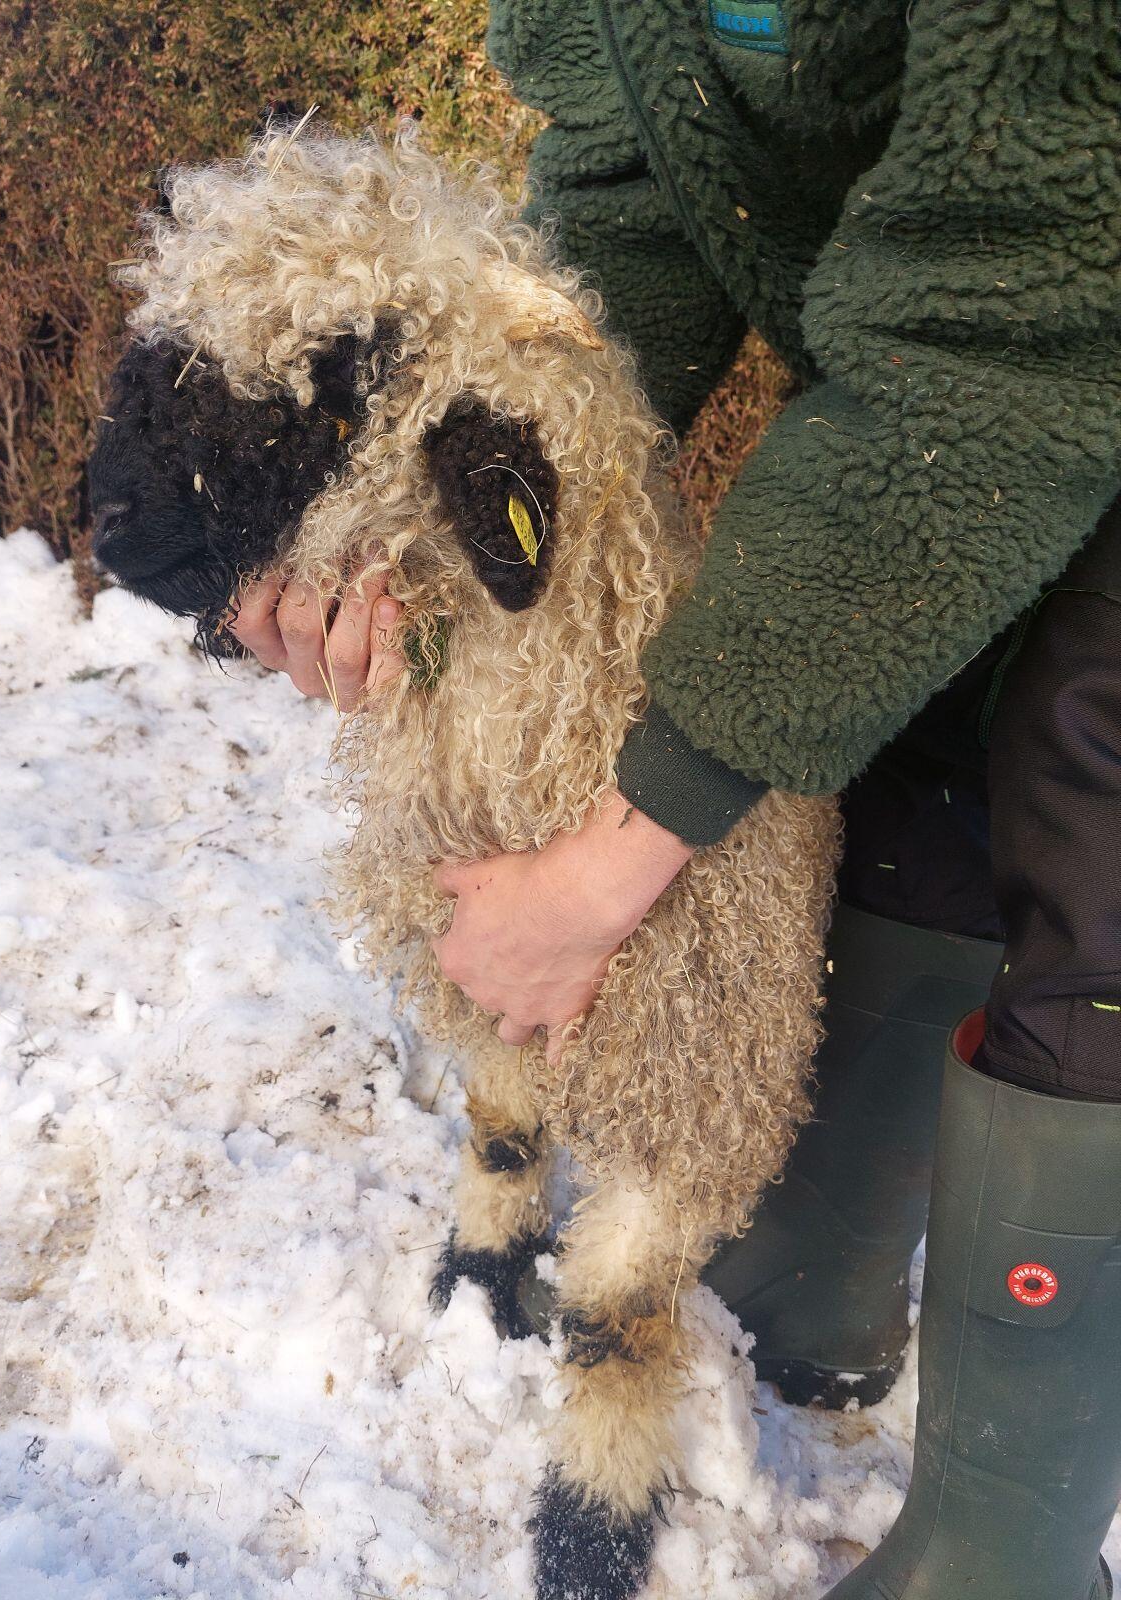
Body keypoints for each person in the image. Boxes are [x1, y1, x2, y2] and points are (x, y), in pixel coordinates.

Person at [231, 3, 1121, 1592]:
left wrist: (603, 870)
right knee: (904, 714)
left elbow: (989, 353)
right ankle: (832, 1269)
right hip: (965, 386)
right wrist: (453, 496)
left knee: (1083, 769)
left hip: (1036, 354)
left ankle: (1009, 1543)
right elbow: (641, 194)